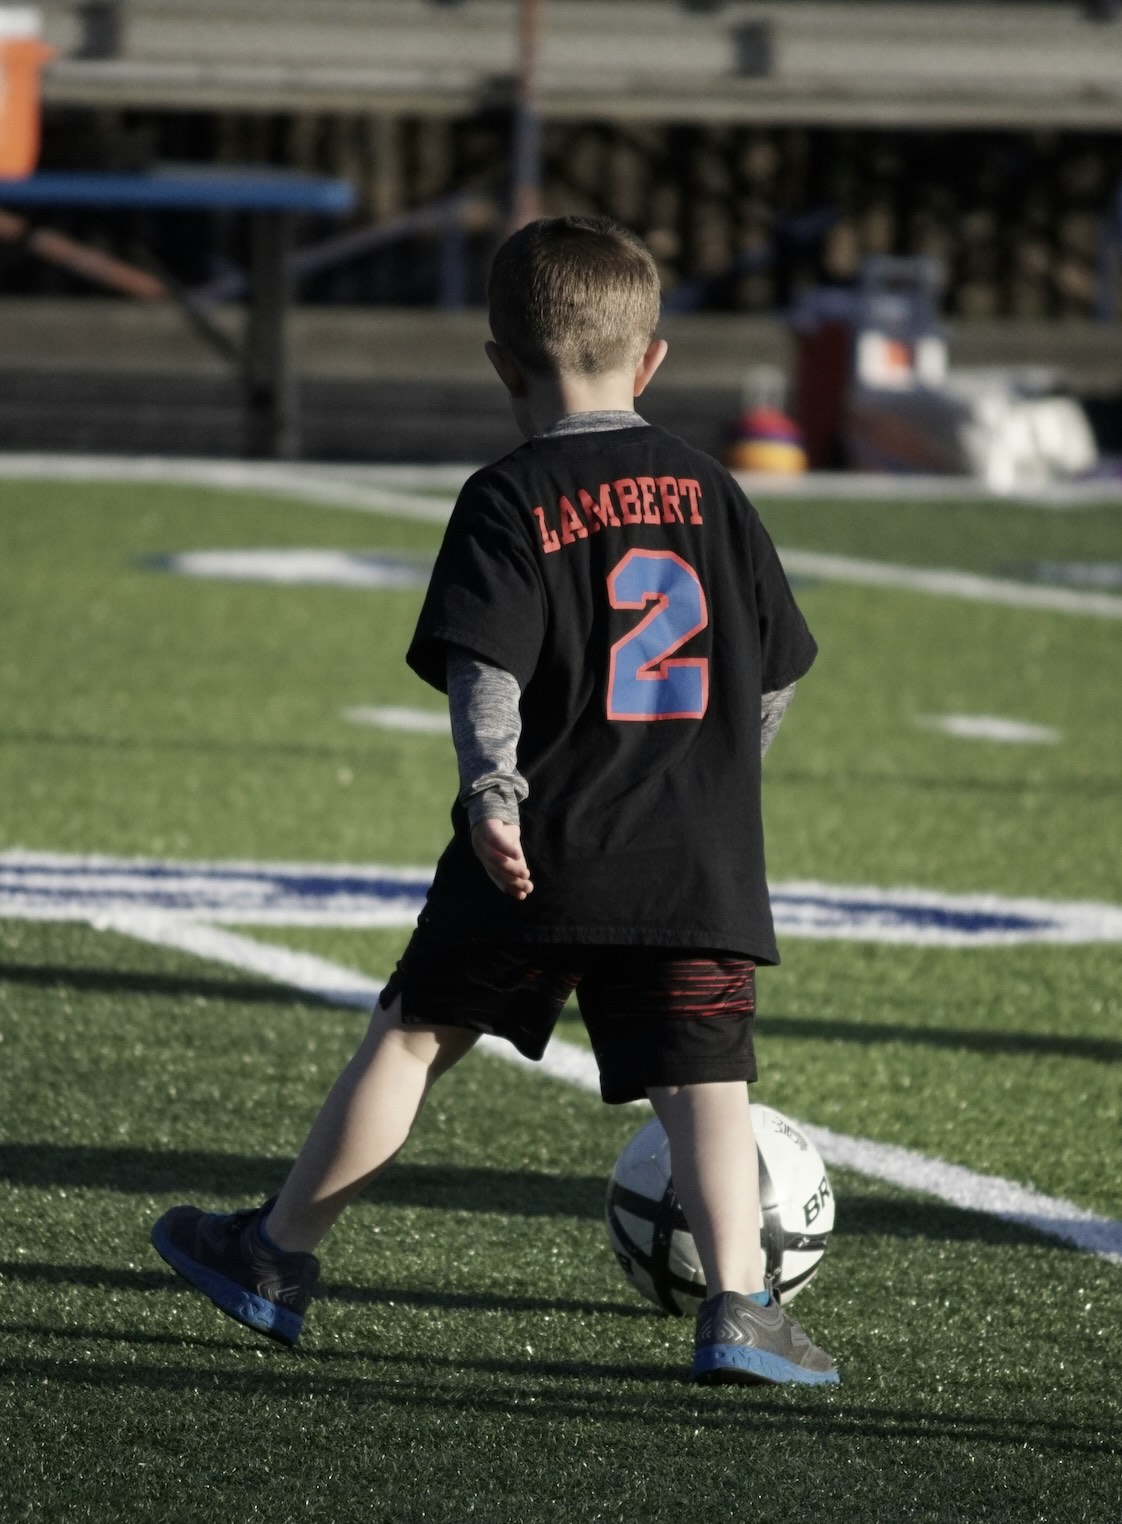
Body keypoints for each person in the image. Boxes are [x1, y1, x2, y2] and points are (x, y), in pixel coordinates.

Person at [151, 215, 838, 1388]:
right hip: (692, 856)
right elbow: (771, 675)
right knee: (706, 1082)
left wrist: (495, 794)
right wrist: (716, 782)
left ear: (500, 364)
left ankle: (275, 1257)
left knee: (416, 1035)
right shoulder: (720, 493)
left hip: (543, 840)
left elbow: (489, 672)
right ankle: (739, 1308)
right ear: (654, 358)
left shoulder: (508, 494)